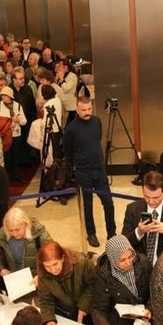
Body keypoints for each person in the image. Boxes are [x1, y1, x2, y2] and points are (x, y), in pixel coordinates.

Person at [64, 97, 116, 248]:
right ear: (77, 109)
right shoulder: (71, 128)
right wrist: (74, 166)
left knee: (108, 203)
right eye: (83, 110)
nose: (87, 112)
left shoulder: (97, 121)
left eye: (89, 109)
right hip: (83, 172)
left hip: (99, 169)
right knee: (87, 205)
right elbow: (67, 151)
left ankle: (112, 233)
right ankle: (91, 234)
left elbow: (97, 139)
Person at [121, 171, 163, 265]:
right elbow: (123, 243)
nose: (151, 202)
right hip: (140, 265)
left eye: (156, 197)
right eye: (146, 196)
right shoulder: (133, 209)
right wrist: (138, 232)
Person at [91, 236, 151, 325]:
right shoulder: (104, 275)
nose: (128, 262)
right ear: (113, 260)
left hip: (144, 322)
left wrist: (150, 308)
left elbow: (155, 291)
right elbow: (98, 308)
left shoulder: (143, 263)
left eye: (130, 256)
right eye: (122, 260)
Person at [36, 241, 96, 325]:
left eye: (55, 264)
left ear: (62, 258)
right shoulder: (43, 275)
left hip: (89, 310)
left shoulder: (82, 263)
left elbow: (94, 284)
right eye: (47, 266)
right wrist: (49, 319)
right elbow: (45, 299)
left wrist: (84, 305)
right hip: (65, 313)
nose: (52, 270)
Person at [0, 207, 52, 280]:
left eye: (17, 230)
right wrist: (0, 269)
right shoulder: (1, 236)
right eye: (10, 230)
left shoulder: (41, 235)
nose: (14, 234)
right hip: (14, 278)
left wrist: (41, 276)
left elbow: (53, 257)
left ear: (26, 224)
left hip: (36, 278)